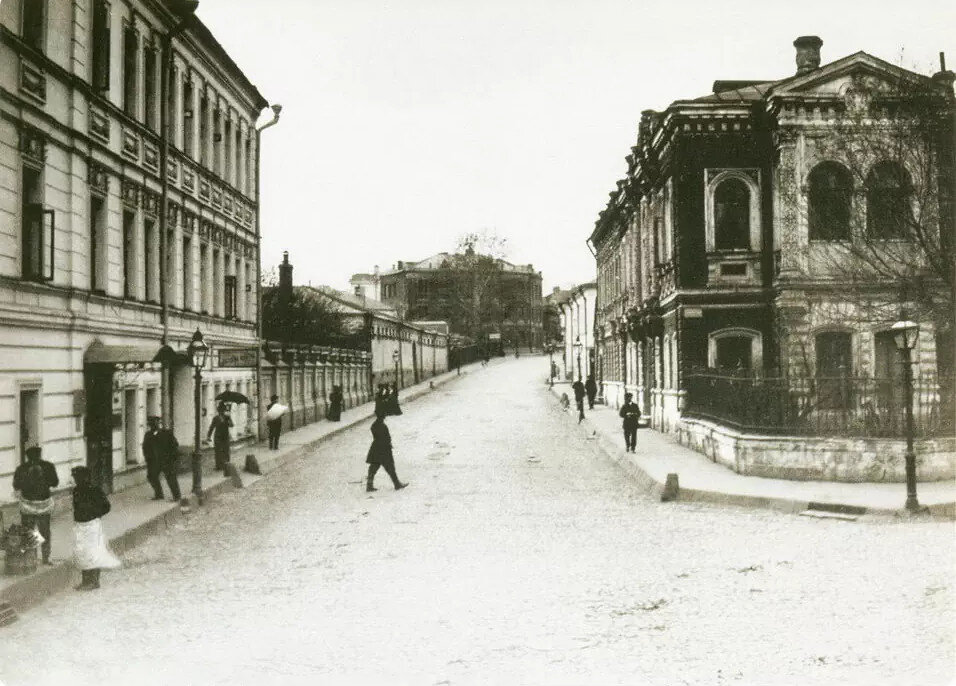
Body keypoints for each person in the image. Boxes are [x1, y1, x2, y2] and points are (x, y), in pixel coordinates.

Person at [71, 465, 119, 590]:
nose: (76, 480)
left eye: (78, 477)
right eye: (75, 478)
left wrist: (94, 514)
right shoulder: (76, 490)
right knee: (82, 553)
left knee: (93, 552)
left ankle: (94, 581)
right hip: (80, 525)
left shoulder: (95, 490)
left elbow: (106, 507)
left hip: (92, 525)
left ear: (86, 477)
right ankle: (85, 581)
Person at [12, 446, 59, 565]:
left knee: (33, 532)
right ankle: (41, 558)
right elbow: (55, 483)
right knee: (38, 532)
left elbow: (16, 486)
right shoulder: (47, 466)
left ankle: (35, 558)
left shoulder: (22, 468)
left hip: (35, 504)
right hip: (34, 504)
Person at [365, 408, 407, 492]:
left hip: (375, 448)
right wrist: (388, 444)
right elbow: (385, 438)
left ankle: (369, 485)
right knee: (390, 467)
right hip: (384, 449)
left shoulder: (374, 425)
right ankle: (397, 484)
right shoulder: (382, 426)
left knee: (373, 467)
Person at [142, 416, 181, 501]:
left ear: (158, 424)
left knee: (171, 478)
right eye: (151, 424)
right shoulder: (148, 435)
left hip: (167, 460)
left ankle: (177, 496)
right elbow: (145, 447)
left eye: (155, 423)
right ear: (149, 425)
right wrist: (148, 458)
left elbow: (175, 445)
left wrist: (172, 457)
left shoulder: (166, 433)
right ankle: (159, 494)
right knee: (151, 476)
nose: (153, 425)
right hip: (154, 461)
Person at [207, 404, 233, 470]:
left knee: (226, 451)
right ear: (218, 411)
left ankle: (227, 465)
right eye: (220, 410)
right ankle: (218, 466)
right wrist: (208, 436)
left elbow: (231, 425)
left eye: (223, 410)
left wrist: (229, 419)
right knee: (218, 451)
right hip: (218, 437)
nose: (221, 412)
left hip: (225, 437)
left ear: (224, 411)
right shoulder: (215, 418)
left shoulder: (227, 417)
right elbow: (211, 427)